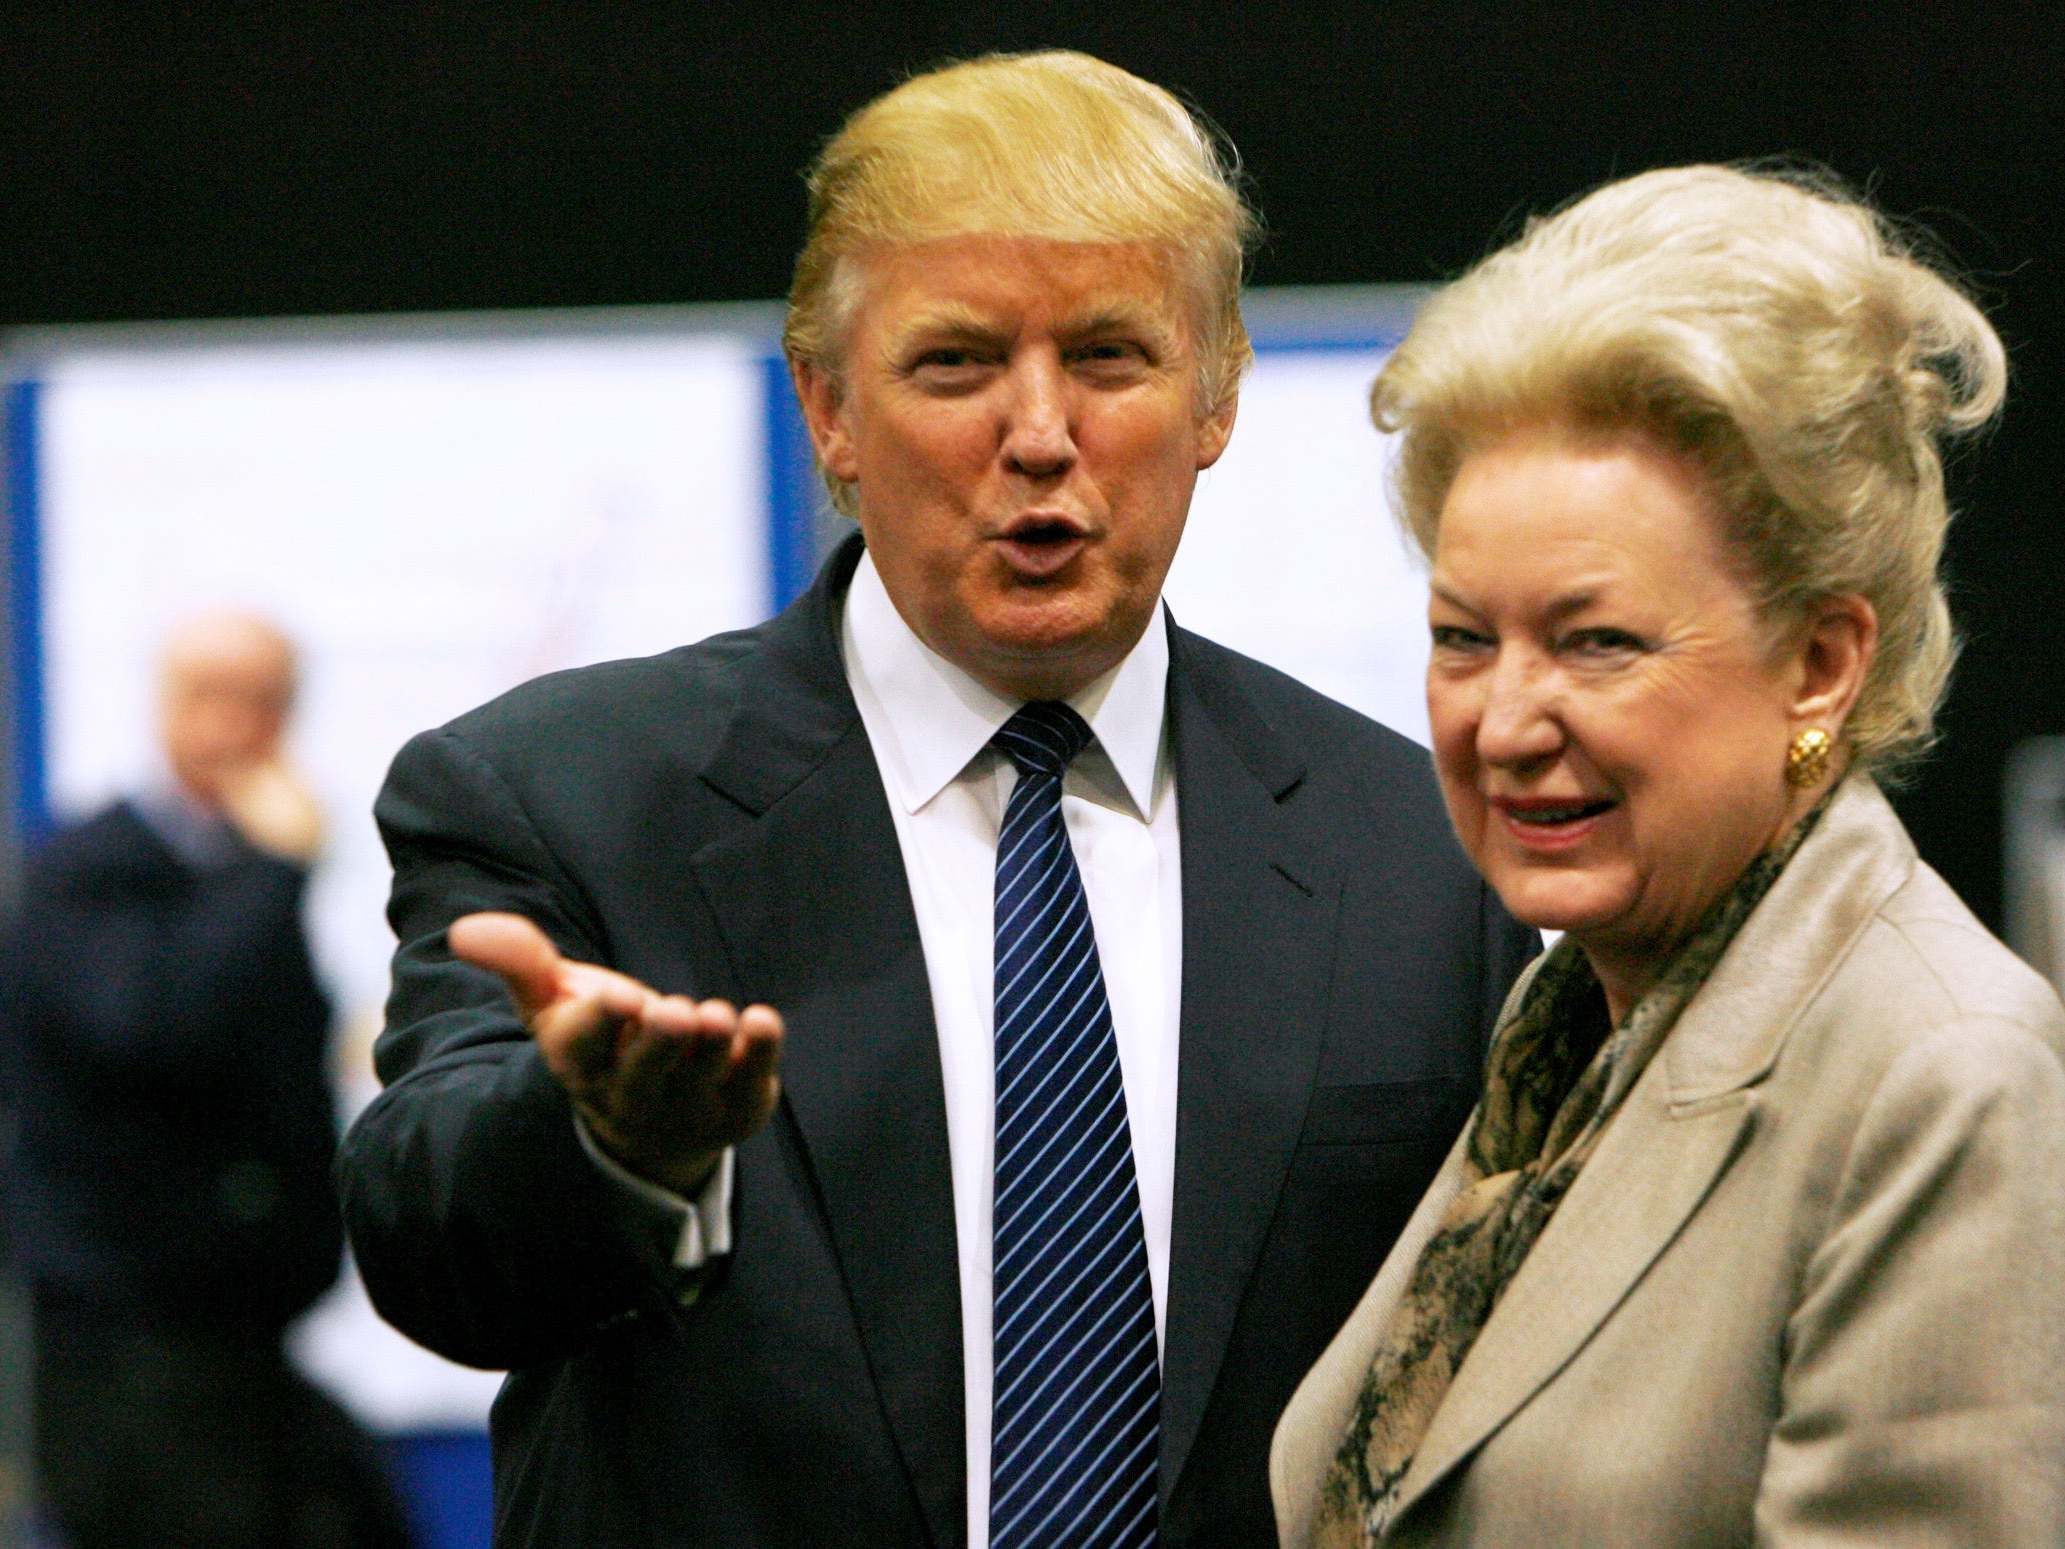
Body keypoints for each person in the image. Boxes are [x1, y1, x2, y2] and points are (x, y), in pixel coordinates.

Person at [336, 49, 1536, 1549]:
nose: (1039, 434)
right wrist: (604, 1145)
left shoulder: (1424, 849)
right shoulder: (563, 795)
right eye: (956, 363)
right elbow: (430, 1245)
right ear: (828, 409)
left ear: (1218, 394)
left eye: (1108, 357)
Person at [1270, 164, 2065, 1548]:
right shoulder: (1574, 1019)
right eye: (1463, 638)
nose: (1503, 722)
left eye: (1596, 642)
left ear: (1819, 662)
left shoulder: (1944, 1074)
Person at [0, 611, 416, 1549]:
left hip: (249, 1333)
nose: (236, 726)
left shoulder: (240, 883)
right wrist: (271, 870)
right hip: (125, 1339)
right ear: (161, 704)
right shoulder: (86, 871)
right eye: (210, 696)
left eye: (264, 702)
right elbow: (144, 1032)